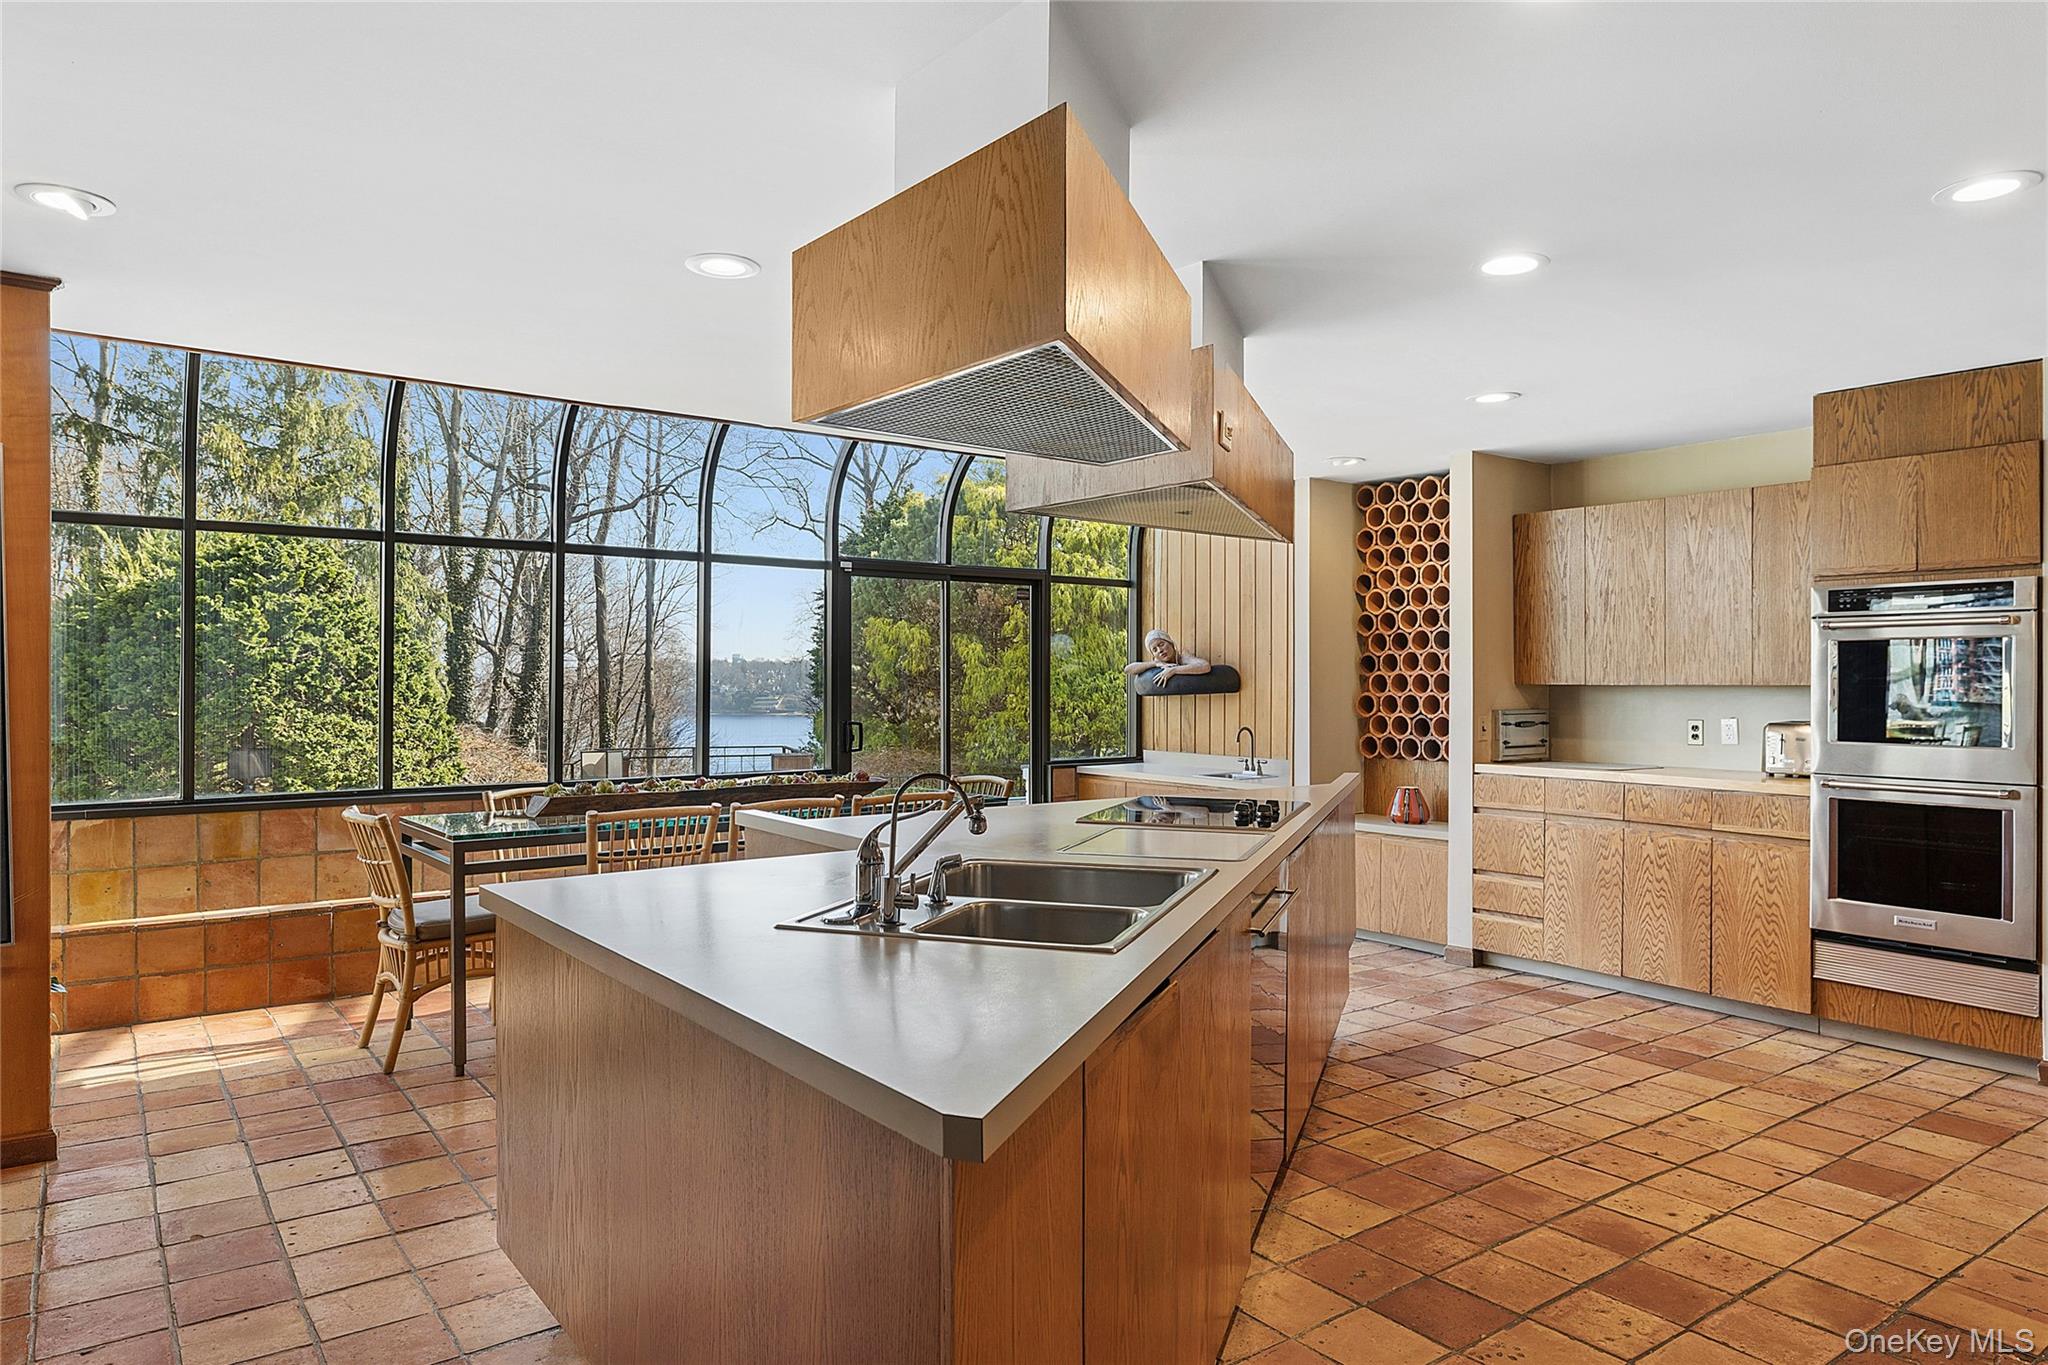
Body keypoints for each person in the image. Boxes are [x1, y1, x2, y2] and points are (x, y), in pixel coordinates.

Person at [1125, 629, 1212, 692]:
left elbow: (1205, 666)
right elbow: (1128, 669)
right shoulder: (1158, 663)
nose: (1160, 650)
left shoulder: (1183, 657)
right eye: (1155, 650)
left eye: (1161, 644)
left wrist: (1173, 670)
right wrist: (1155, 664)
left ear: (1171, 643)